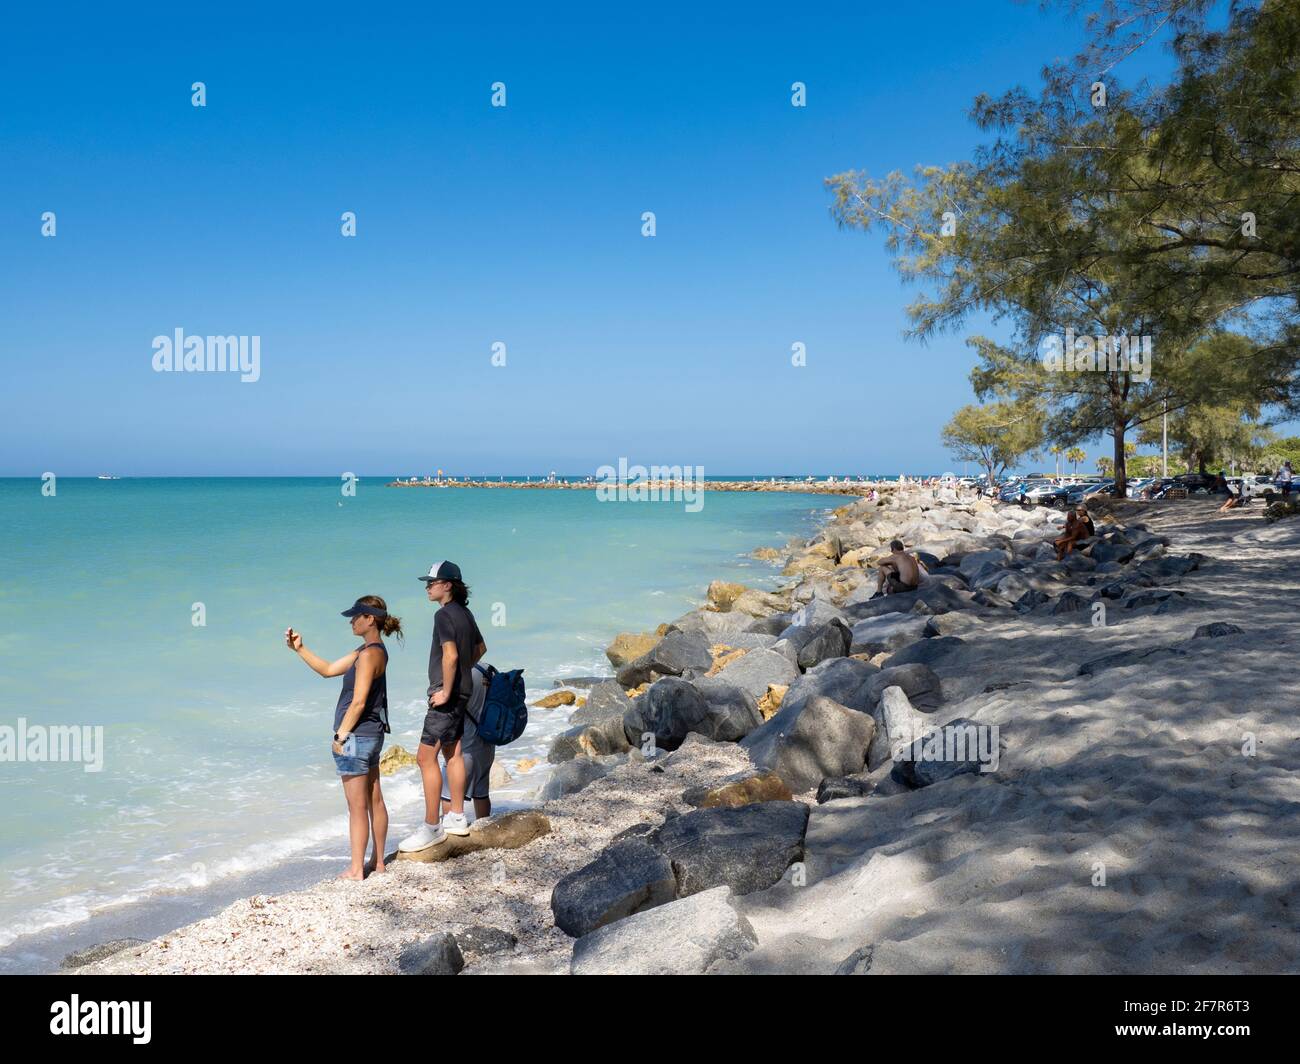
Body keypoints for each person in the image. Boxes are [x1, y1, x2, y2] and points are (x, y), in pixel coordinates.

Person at [285, 596, 400, 880]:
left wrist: (340, 735)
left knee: (357, 807)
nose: (351, 620)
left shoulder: (368, 655)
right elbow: (327, 670)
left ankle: (356, 870)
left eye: (356, 616)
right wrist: (300, 649)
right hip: (372, 735)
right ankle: (379, 863)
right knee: (375, 800)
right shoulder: (372, 650)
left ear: (370, 618)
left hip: (356, 737)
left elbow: (359, 702)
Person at [399, 561, 486, 852]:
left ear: (447, 585)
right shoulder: (465, 613)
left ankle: (431, 827)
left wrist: (446, 689)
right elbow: (480, 649)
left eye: (432, 582)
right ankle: (457, 817)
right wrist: (462, 675)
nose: (427, 587)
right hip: (464, 692)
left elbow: (449, 655)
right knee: (454, 752)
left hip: (446, 695)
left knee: (425, 757)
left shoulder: (444, 615)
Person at [437, 662, 494, 822]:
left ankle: (450, 831)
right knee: (481, 792)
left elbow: (451, 708)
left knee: (448, 793)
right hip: (487, 742)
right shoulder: (488, 670)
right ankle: (484, 827)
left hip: (465, 746)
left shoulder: (463, 675)